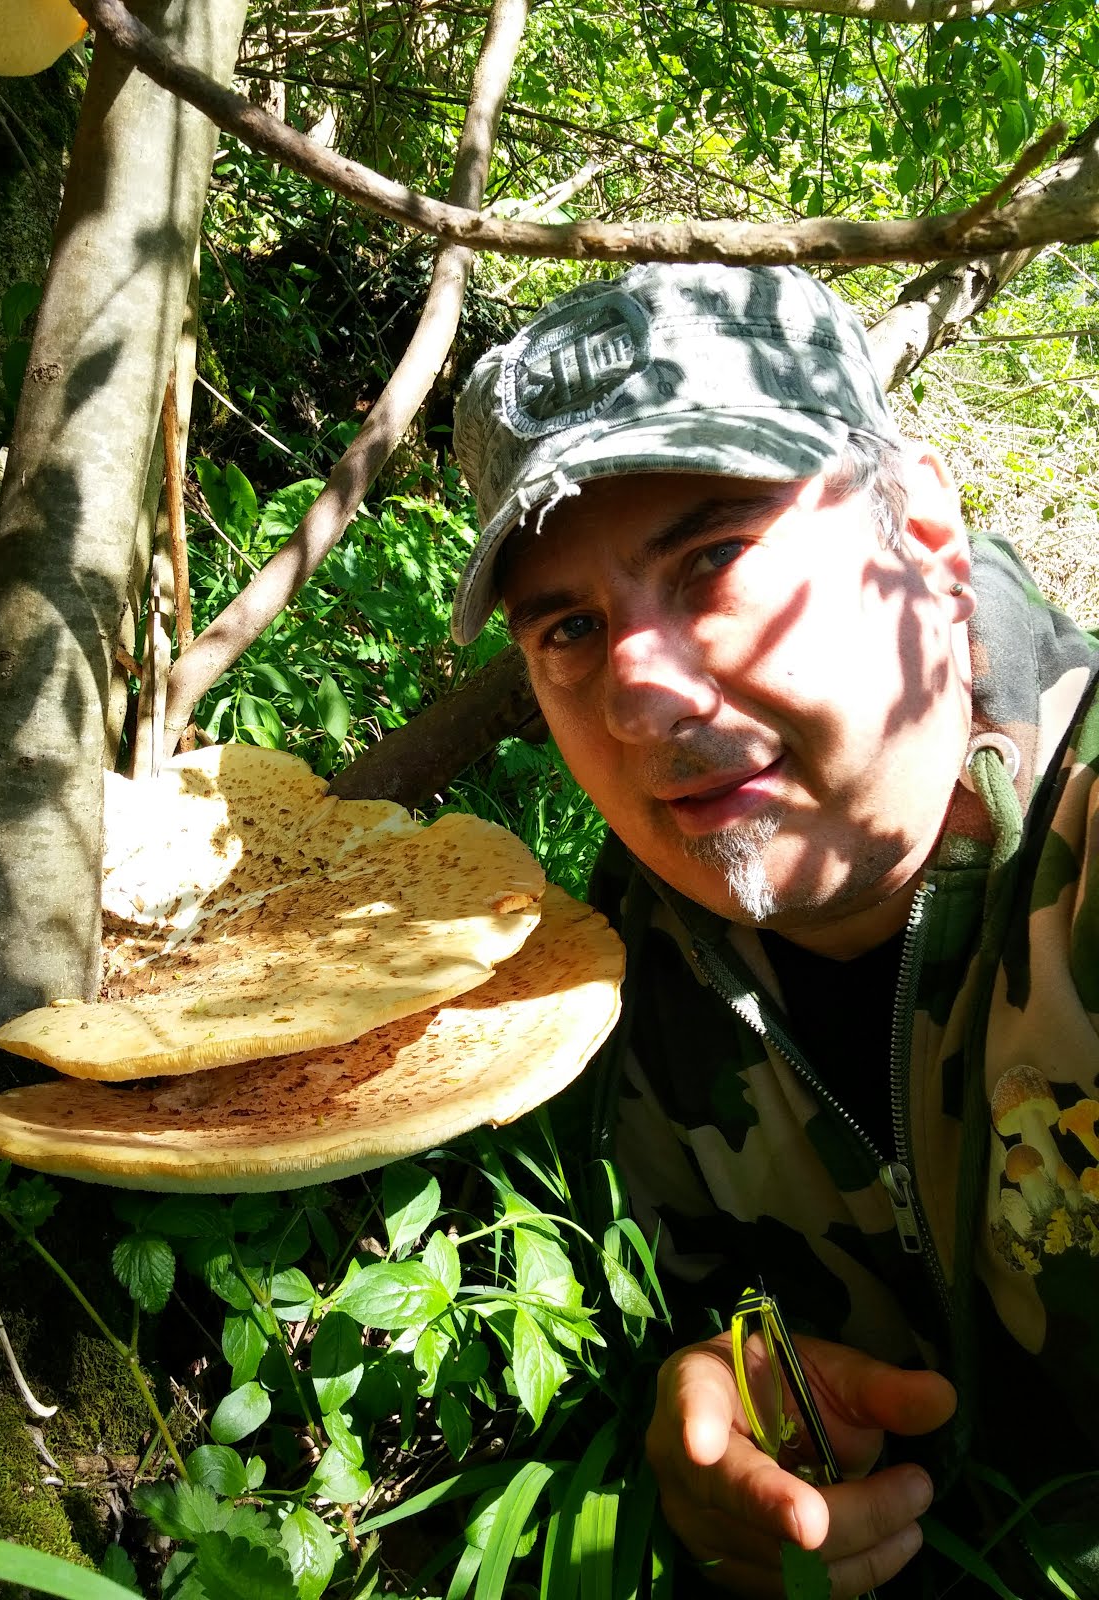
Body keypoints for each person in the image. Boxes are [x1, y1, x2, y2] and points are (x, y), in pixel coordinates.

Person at [449, 263, 1099, 1597]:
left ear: (921, 531)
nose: (640, 698)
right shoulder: (587, 999)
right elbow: (699, 1315)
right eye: (570, 625)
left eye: (714, 559)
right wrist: (711, 1409)